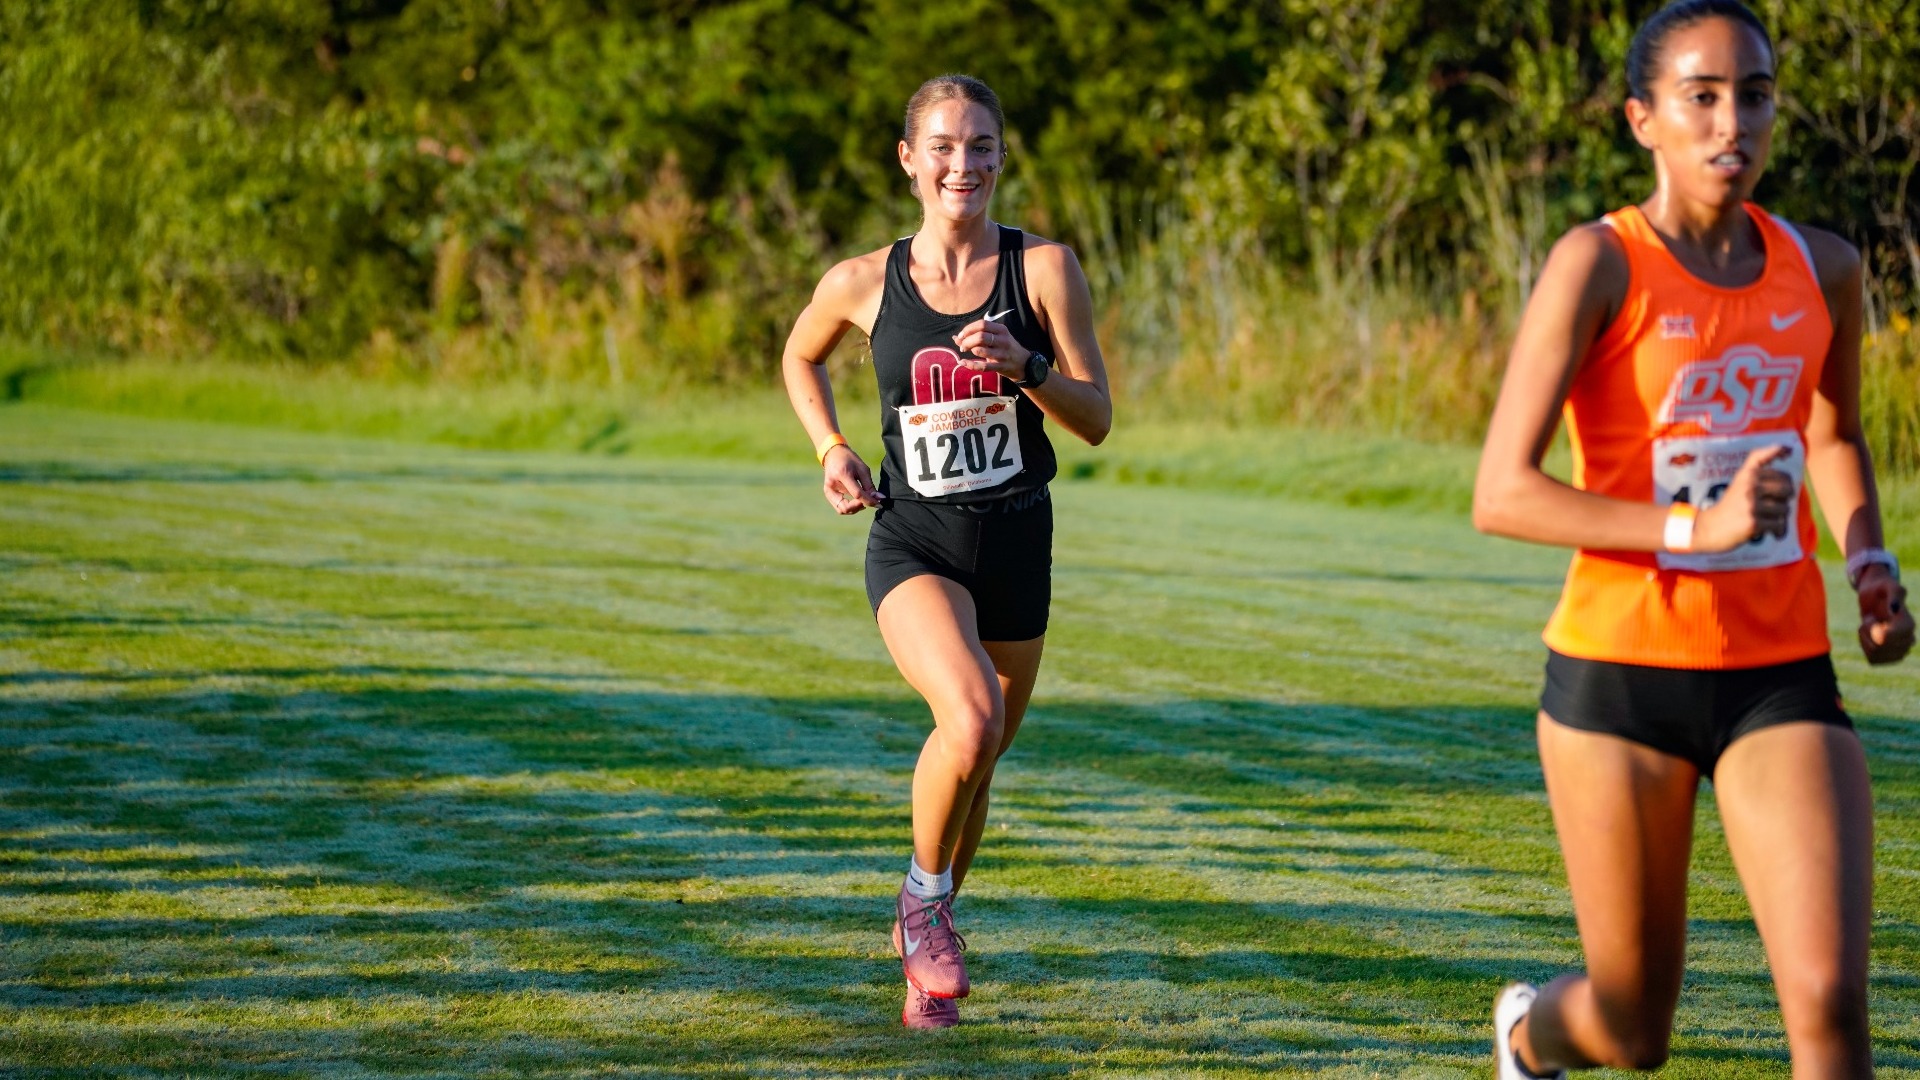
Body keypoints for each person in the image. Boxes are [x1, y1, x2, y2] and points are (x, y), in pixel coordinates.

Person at [1472, 1, 1914, 1075]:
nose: (1733, 122)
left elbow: (1836, 432)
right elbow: (1504, 493)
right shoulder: (1599, 264)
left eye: (1754, 94)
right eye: (1701, 96)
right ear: (1644, 118)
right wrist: (1697, 527)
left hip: (1779, 674)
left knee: (1829, 1006)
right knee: (1633, 1030)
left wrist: (1867, 558)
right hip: (1619, 679)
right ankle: (1530, 1038)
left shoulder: (1826, 267)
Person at [781, 74, 1111, 1029]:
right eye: (943, 146)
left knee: (983, 756)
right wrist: (831, 448)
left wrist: (1030, 367)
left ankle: (927, 959)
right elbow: (801, 355)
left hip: (1017, 540)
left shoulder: (1043, 269)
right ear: (908, 159)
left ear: (1002, 158)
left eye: (980, 146)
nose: (962, 164)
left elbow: (1094, 419)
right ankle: (921, 906)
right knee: (965, 722)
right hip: (913, 538)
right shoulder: (860, 281)